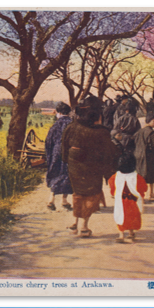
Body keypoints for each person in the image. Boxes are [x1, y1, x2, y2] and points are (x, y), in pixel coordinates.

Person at [61, 95, 119, 237]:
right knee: (90, 196)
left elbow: (63, 149)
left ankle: (74, 223)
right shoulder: (102, 132)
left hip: (75, 167)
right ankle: (84, 227)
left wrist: (68, 161)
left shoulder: (71, 127)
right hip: (94, 169)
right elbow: (110, 154)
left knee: (78, 194)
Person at [108, 152, 147, 243]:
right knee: (132, 217)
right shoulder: (137, 177)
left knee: (120, 216)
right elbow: (143, 188)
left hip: (121, 201)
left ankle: (121, 234)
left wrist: (114, 194)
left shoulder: (115, 177)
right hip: (133, 201)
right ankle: (131, 234)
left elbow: (112, 188)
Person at [45, 101, 73, 212]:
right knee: (66, 175)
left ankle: (51, 199)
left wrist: (49, 155)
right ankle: (64, 200)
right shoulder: (72, 124)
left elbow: (48, 141)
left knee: (55, 174)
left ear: (59, 112)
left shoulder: (55, 125)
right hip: (69, 153)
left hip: (56, 152)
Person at [134, 113, 154, 201]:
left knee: (140, 175)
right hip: (149, 156)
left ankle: (140, 194)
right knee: (151, 175)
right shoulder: (152, 133)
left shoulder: (139, 132)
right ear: (149, 122)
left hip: (138, 156)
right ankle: (151, 193)